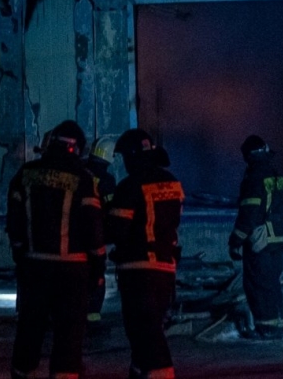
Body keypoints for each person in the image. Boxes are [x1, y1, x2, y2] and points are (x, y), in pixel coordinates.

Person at [6, 119, 104, 379]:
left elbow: (14, 222)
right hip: (72, 272)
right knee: (68, 338)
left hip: (34, 267)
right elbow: (93, 228)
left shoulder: (26, 174)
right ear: (77, 149)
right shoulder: (83, 179)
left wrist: (20, 254)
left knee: (29, 332)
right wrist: (98, 266)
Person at [108, 128, 184, 379]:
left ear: (132, 156)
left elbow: (116, 231)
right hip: (165, 267)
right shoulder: (172, 182)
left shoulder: (129, 186)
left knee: (145, 332)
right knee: (150, 330)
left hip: (138, 271)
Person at [228, 134, 283, 339]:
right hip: (277, 240)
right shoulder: (277, 177)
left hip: (259, 242)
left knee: (258, 285)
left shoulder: (254, 179)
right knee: (272, 283)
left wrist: (235, 240)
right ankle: (279, 324)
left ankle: (267, 328)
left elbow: (249, 214)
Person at [85, 135, 119, 324]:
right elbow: (111, 209)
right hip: (96, 237)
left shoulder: (81, 171)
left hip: (71, 237)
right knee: (96, 276)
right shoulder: (106, 179)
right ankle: (92, 318)